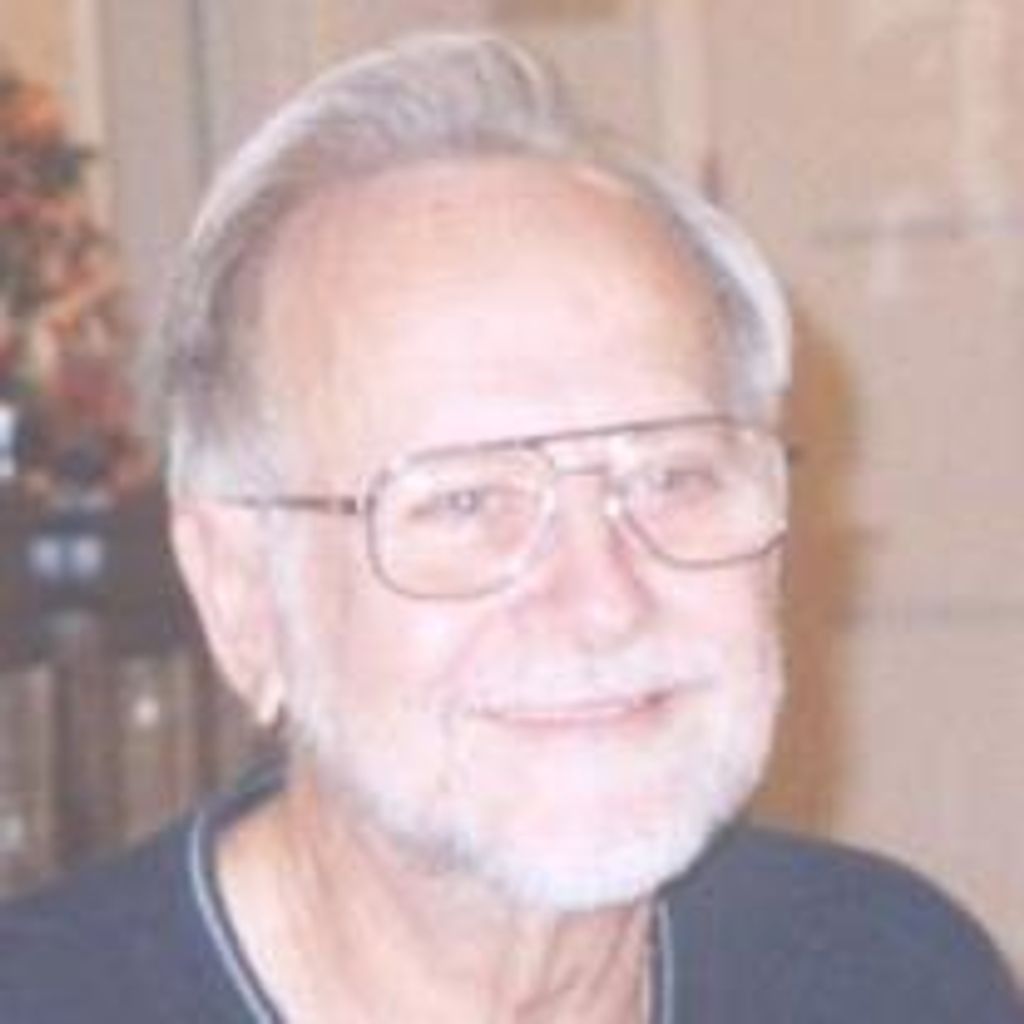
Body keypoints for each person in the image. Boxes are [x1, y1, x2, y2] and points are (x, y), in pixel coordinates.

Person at [0, 31, 1019, 1023]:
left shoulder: (887, 974)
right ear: (243, 594)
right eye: (465, 500)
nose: (603, 601)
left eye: (673, 475)